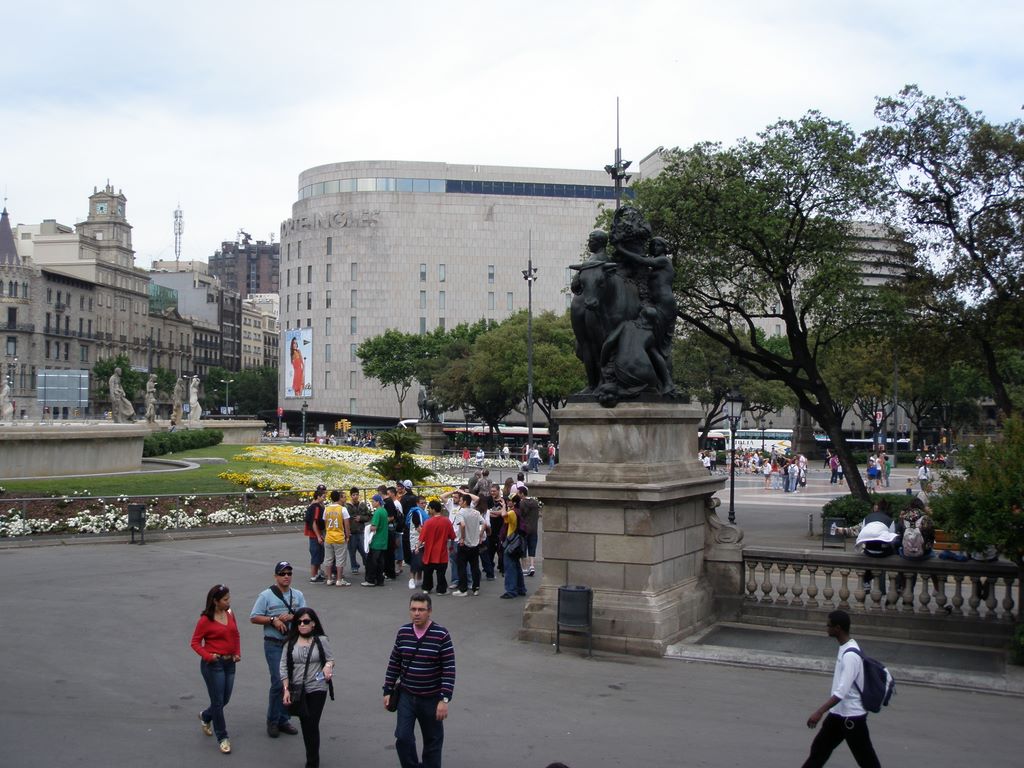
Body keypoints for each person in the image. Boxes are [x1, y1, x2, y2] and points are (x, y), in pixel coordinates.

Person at [383, 593, 456, 768]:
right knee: (403, 737)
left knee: (432, 741)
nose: (416, 613)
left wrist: (444, 699)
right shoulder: (403, 632)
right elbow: (394, 662)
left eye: (421, 610)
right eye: (413, 609)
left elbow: (449, 669)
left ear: (429, 611)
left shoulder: (441, 635)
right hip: (407, 696)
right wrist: (387, 689)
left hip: (431, 698)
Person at [801, 610, 882, 768]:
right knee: (818, 751)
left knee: (867, 761)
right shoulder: (846, 647)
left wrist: (819, 712)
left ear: (837, 628)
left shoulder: (850, 655)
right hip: (838, 715)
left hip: (852, 718)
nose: (826, 628)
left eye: (828, 625)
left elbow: (842, 692)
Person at [250, 561, 305, 738]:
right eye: (282, 573)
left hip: (292, 644)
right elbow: (254, 617)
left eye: (289, 573)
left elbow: (306, 616)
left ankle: (283, 719)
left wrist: (292, 616)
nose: (286, 576)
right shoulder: (266, 596)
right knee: (278, 682)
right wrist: (273, 619)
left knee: (290, 682)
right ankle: (273, 720)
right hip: (273, 644)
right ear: (276, 576)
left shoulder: (298, 595)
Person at [280, 607, 334, 768]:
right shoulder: (290, 643)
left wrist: (328, 666)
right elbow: (283, 666)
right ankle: (312, 757)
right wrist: (286, 689)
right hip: (298, 689)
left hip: (318, 687)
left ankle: (312, 763)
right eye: (299, 622)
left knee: (311, 722)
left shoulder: (321, 640)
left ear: (313, 623)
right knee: (306, 724)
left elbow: (330, 659)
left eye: (306, 621)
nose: (302, 624)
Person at [191, 584, 241, 755]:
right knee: (218, 702)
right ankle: (223, 737)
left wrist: (237, 652)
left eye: (229, 598)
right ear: (215, 601)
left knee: (224, 699)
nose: (229, 601)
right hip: (214, 665)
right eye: (225, 599)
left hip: (230, 663)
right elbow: (195, 643)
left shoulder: (230, 613)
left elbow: (235, 634)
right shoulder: (205, 620)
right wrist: (208, 656)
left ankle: (206, 716)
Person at [419, 499, 456, 594]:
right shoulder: (447, 521)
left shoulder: (428, 522)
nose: (429, 510)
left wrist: (417, 547)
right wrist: (451, 546)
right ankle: (441, 589)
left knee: (427, 572)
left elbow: (422, 537)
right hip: (442, 551)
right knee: (441, 573)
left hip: (429, 552)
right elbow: (452, 536)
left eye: (430, 508)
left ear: (433, 509)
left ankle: (426, 588)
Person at [323, 489, 351, 586]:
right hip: (339, 537)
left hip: (329, 536)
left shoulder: (326, 509)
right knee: (340, 559)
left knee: (328, 559)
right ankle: (339, 579)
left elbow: (325, 522)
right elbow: (346, 524)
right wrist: (347, 535)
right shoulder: (342, 509)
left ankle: (329, 579)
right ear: (339, 498)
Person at [362, 494, 391, 587]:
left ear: (378, 502)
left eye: (373, 501)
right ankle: (379, 580)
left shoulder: (377, 512)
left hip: (376, 541)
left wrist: (367, 528)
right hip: (383, 540)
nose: (372, 503)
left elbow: (374, 527)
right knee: (380, 562)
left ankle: (370, 580)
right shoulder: (384, 511)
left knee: (372, 562)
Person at [516, 485, 541, 577]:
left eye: (518, 493)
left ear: (522, 494)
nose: (517, 495)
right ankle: (532, 566)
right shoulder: (535, 502)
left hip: (524, 529)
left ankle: (524, 568)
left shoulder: (522, 503)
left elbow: (520, 515)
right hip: (534, 528)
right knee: (532, 547)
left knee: (523, 548)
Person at [304, 485, 327, 583]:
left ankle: (317, 574)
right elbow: (314, 522)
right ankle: (313, 576)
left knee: (319, 554)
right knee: (316, 554)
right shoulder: (316, 507)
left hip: (317, 533)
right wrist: (318, 536)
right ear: (318, 496)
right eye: (323, 496)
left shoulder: (318, 506)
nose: (324, 498)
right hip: (315, 535)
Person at [346, 487, 371, 575]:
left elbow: (369, 516)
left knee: (364, 550)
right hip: (351, 532)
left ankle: (367, 564)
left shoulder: (362, 505)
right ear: (351, 496)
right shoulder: (347, 506)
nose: (355, 496)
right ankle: (354, 567)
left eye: (357, 494)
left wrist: (361, 518)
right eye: (353, 495)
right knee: (352, 551)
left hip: (361, 531)